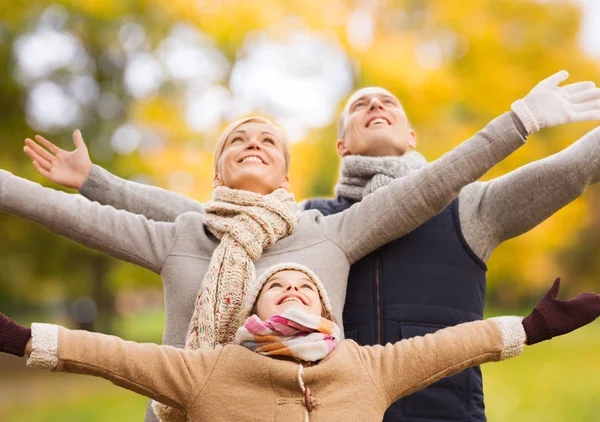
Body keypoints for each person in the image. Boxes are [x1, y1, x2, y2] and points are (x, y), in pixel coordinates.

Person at [11, 71, 600, 421]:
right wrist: (96, 182)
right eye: (237, 139)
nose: (253, 143)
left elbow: (440, 184)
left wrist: (520, 118)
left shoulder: (367, 223)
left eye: (269, 139)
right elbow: (166, 220)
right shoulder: (250, 229)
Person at [2, 263, 599, 421]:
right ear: (254, 309)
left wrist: (535, 326)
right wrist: (20, 338)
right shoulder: (207, 371)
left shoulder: (366, 365)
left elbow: (452, 345)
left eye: (303, 288)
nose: (291, 291)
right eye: (276, 287)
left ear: (323, 309)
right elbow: (109, 354)